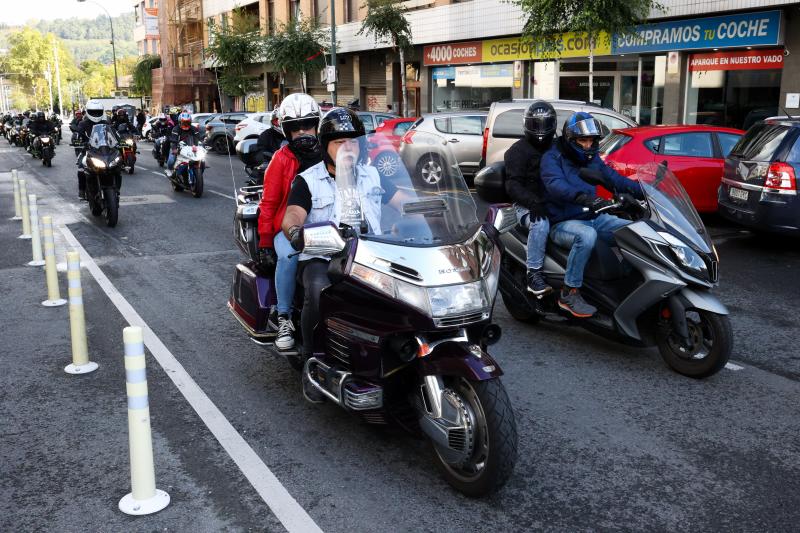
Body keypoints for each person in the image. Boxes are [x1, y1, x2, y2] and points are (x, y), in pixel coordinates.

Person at [281, 107, 402, 403]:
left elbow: (403, 200)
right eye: (338, 142)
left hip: (371, 253)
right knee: (318, 289)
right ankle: (313, 361)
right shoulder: (308, 180)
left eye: (353, 141)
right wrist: (297, 232)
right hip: (324, 255)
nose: (347, 148)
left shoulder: (372, 175)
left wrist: (430, 211)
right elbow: (293, 214)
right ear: (326, 146)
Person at [541, 111, 643, 318]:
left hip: (593, 217)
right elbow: (555, 185)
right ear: (571, 139)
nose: (587, 146)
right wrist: (583, 197)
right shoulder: (552, 157)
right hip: (562, 222)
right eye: (582, 140)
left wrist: (646, 191)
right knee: (586, 236)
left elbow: (613, 178)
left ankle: (632, 282)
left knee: (632, 230)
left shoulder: (593, 158)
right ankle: (569, 293)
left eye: (591, 141)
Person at [256, 93, 322, 351]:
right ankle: (283, 316)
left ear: (317, 124)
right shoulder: (281, 159)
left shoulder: (329, 153)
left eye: (307, 124)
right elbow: (270, 203)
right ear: (286, 130)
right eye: (295, 127)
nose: (302, 131)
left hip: (325, 222)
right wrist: (264, 242)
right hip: (289, 227)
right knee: (289, 256)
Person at [504, 100, 557, 297]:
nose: (541, 130)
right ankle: (533, 274)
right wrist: (532, 201)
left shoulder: (557, 147)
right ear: (527, 125)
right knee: (540, 224)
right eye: (536, 125)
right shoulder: (517, 151)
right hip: (526, 206)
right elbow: (512, 184)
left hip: (554, 202)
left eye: (545, 124)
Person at [76, 100, 109, 200]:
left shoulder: (106, 123)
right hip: (88, 150)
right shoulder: (83, 123)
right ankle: (82, 190)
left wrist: (120, 141)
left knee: (115, 165)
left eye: (98, 112)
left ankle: (115, 188)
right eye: (93, 111)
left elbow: (114, 134)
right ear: (88, 111)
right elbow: (78, 135)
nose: (95, 114)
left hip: (104, 150)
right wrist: (78, 141)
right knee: (81, 167)